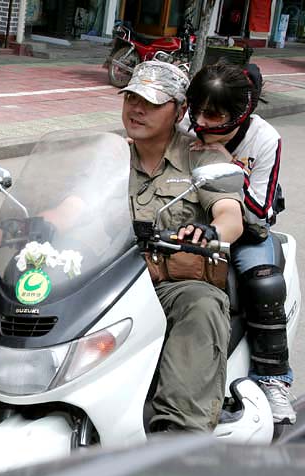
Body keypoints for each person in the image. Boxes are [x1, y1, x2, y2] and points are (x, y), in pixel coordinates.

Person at [121, 61, 244, 432]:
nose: (136, 108)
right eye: (131, 97)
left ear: (180, 110)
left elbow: (229, 215)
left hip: (173, 282)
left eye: (152, 102)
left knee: (201, 304)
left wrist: (208, 232)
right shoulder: (112, 152)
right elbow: (73, 204)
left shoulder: (201, 157)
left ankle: (182, 435)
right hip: (112, 280)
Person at [182, 63, 295, 424]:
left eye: (212, 115)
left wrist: (224, 162)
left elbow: (260, 208)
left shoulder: (265, 139)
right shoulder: (186, 125)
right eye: (196, 109)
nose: (200, 122)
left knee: (264, 280)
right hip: (188, 220)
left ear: (240, 113)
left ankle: (275, 378)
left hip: (244, 229)